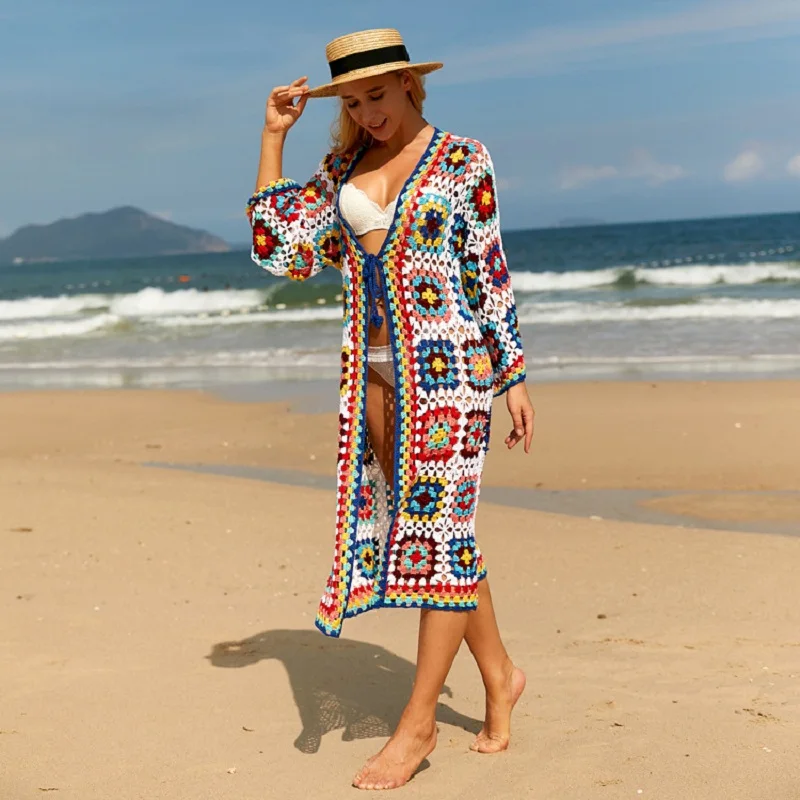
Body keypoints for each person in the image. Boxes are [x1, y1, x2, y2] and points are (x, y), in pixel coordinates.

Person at [246, 27, 535, 791]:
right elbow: (282, 252)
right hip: (372, 376)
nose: (366, 113)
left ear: (409, 83)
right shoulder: (342, 167)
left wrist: (512, 374)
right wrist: (274, 137)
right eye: (351, 102)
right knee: (437, 531)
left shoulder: (463, 159)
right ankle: (501, 676)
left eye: (376, 95)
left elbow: (487, 270)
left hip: (452, 375)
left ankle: (417, 725)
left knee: (439, 533)